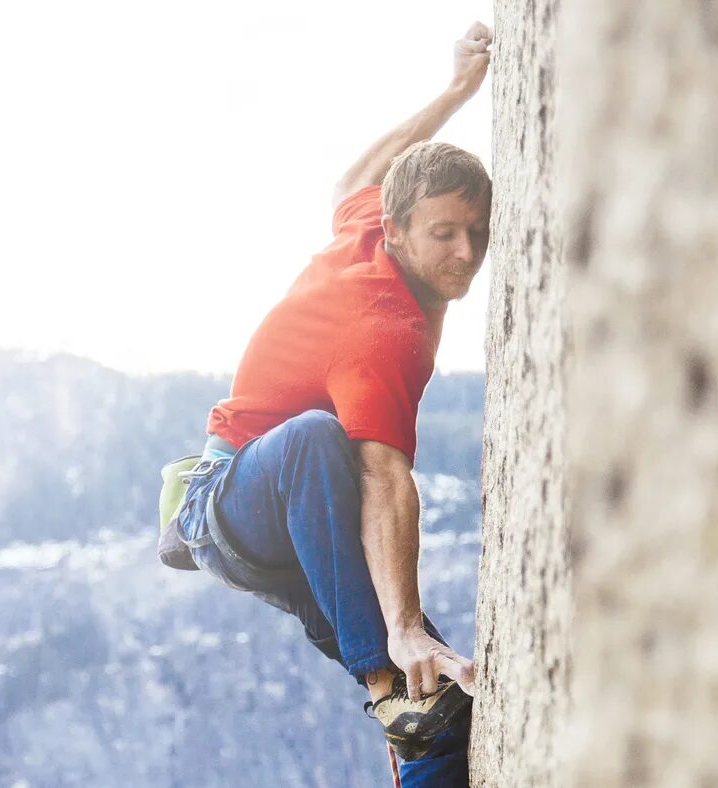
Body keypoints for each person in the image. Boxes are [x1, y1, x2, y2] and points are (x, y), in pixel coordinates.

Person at [169, 21, 494, 785]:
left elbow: (358, 175)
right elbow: (383, 476)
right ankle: (388, 690)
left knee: (445, 723)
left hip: (308, 529)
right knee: (318, 437)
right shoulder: (385, 329)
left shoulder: (365, 222)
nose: (466, 254)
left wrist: (456, 91)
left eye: (478, 232)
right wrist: (404, 629)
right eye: (444, 234)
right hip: (234, 498)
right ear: (399, 230)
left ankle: (413, 726)